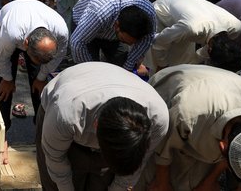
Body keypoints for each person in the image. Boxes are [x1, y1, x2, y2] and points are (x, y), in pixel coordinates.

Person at [138, 64, 241, 191]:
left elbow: (232, 156)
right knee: (148, 177)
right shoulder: (188, 115)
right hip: (170, 88)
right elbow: (162, 151)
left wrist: (210, 181)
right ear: (221, 146)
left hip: (217, 91)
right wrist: (162, 185)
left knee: (192, 181)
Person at [36, 62, 169, 191]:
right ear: (96, 125)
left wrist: (118, 188)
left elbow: (134, 168)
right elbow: (56, 161)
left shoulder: (158, 121)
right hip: (64, 109)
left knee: (102, 184)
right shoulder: (65, 114)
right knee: (54, 185)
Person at [0, 0, 68, 137]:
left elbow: (57, 57)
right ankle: (0, 130)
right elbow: (1, 59)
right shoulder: (11, 34)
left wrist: (41, 77)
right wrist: (7, 79)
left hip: (33, 24)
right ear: (25, 44)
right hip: (9, 16)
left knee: (40, 83)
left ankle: (42, 127)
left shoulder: (61, 32)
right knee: (3, 84)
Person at [70, 0, 155, 73]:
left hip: (111, 31)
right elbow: (77, 42)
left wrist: (126, 70)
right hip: (84, 28)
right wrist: (91, 72)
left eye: (130, 43)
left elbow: (146, 41)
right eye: (123, 40)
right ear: (117, 25)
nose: (128, 44)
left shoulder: (149, 16)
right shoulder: (100, 12)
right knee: (89, 70)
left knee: (120, 64)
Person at [150, 0, 241, 71]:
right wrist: (162, 66)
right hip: (162, 10)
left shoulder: (236, 27)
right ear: (210, 49)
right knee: (157, 64)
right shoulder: (190, 28)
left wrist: (192, 63)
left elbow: (199, 56)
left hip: (189, 6)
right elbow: (159, 42)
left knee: (182, 65)